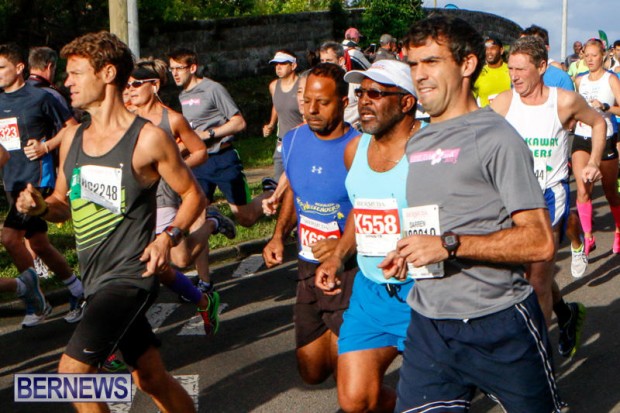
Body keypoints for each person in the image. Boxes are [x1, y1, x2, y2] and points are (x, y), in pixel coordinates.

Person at [381, 16, 561, 412]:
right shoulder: (419, 141)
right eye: (413, 64)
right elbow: (442, 221)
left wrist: (448, 245)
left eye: (431, 62)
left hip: (498, 322)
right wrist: (410, 251)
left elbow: (540, 241)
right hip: (429, 324)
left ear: (467, 64)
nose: (419, 74)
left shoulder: (496, 138)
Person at [17, 31, 203, 413]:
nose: (67, 82)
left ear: (107, 74)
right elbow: (61, 204)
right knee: (150, 377)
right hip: (95, 280)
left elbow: (193, 195)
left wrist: (167, 238)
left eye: (76, 73)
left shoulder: (147, 139)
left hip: (130, 279)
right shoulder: (73, 137)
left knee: (73, 374)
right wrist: (39, 208)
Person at [315, 59, 420, 413]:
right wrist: (337, 256)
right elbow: (360, 210)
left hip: (425, 294)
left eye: (375, 93)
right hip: (371, 293)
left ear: (406, 102)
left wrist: (414, 250)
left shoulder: (429, 148)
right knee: (356, 400)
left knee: (439, 396)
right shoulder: (355, 149)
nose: (363, 101)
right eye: (361, 93)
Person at [491, 35, 605, 357]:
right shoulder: (503, 103)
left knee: (538, 280)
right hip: (510, 198)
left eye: (521, 69)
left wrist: (594, 161)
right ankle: (566, 314)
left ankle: (536, 358)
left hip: (548, 198)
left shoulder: (564, 101)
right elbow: (477, 136)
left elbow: (598, 123)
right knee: (524, 272)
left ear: (541, 67)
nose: (514, 76)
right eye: (511, 69)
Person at [263, 63, 359, 385]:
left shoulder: (359, 148)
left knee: (352, 388)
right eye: (306, 101)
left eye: (322, 102)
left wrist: (342, 247)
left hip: (350, 272)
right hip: (307, 267)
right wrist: (279, 235)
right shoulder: (293, 140)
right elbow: (295, 189)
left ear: (344, 102)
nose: (311, 110)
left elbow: (372, 207)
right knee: (312, 372)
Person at [128, 59, 230, 335]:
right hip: (133, 199)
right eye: (127, 85)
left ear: (154, 86)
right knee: (150, 263)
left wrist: (174, 168)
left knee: (181, 260)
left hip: (164, 193)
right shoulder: (125, 116)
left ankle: (212, 223)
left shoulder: (172, 119)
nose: (130, 90)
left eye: (136, 84)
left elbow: (200, 151)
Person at [169, 48, 266, 298]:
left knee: (245, 217)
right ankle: (205, 282)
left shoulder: (213, 89)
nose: (175, 73)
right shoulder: (182, 96)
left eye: (179, 68)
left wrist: (208, 134)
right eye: (172, 69)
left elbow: (239, 122)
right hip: (198, 163)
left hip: (223, 158)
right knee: (196, 221)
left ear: (193, 67)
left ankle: (271, 192)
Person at [0, 43, 84, 327]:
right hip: (12, 180)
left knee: (10, 238)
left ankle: (34, 300)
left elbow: (72, 127)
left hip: (37, 181)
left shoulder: (40, 97)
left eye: (1, 67)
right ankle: (77, 289)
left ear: (19, 67)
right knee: (39, 243)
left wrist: (46, 146)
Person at [573, 38, 620, 255]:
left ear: (603, 56)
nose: (590, 60)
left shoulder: (611, 79)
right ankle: (588, 236)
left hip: (605, 138)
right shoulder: (579, 80)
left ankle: (618, 231)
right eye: (587, 56)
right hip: (582, 136)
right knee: (583, 189)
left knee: (610, 191)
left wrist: (606, 107)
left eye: (594, 55)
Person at [263, 50, 303, 182]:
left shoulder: (302, 85)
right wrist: (271, 124)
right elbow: (276, 104)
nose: (278, 67)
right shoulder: (274, 86)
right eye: (276, 64)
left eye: (283, 63)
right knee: (278, 180)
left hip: (300, 141)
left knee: (298, 180)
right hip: (282, 141)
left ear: (293, 65)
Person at [319, 41, 360, 129]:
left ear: (341, 61)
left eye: (329, 61)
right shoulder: (319, 84)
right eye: (322, 61)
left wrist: (358, 125)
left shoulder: (354, 83)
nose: (325, 65)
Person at [472, 36, 510, 107]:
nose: (489, 52)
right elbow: (470, 99)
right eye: (486, 49)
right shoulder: (478, 73)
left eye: (493, 48)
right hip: (486, 113)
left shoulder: (511, 70)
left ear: (501, 50)